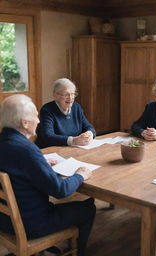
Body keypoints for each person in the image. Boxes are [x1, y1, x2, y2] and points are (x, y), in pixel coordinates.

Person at [0, 94, 96, 256]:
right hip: (31, 223)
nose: (38, 120)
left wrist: (41, 161)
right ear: (24, 123)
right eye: (35, 115)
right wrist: (80, 175)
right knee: (88, 208)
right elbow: (60, 191)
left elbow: (15, 165)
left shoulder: (5, 142)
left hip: (3, 220)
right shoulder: (27, 151)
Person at [35, 78, 96, 148]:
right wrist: (73, 141)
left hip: (72, 149)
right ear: (55, 95)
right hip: (51, 151)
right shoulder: (47, 110)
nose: (70, 98)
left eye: (72, 94)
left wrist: (89, 134)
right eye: (66, 94)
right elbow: (48, 136)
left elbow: (88, 127)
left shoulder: (76, 107)